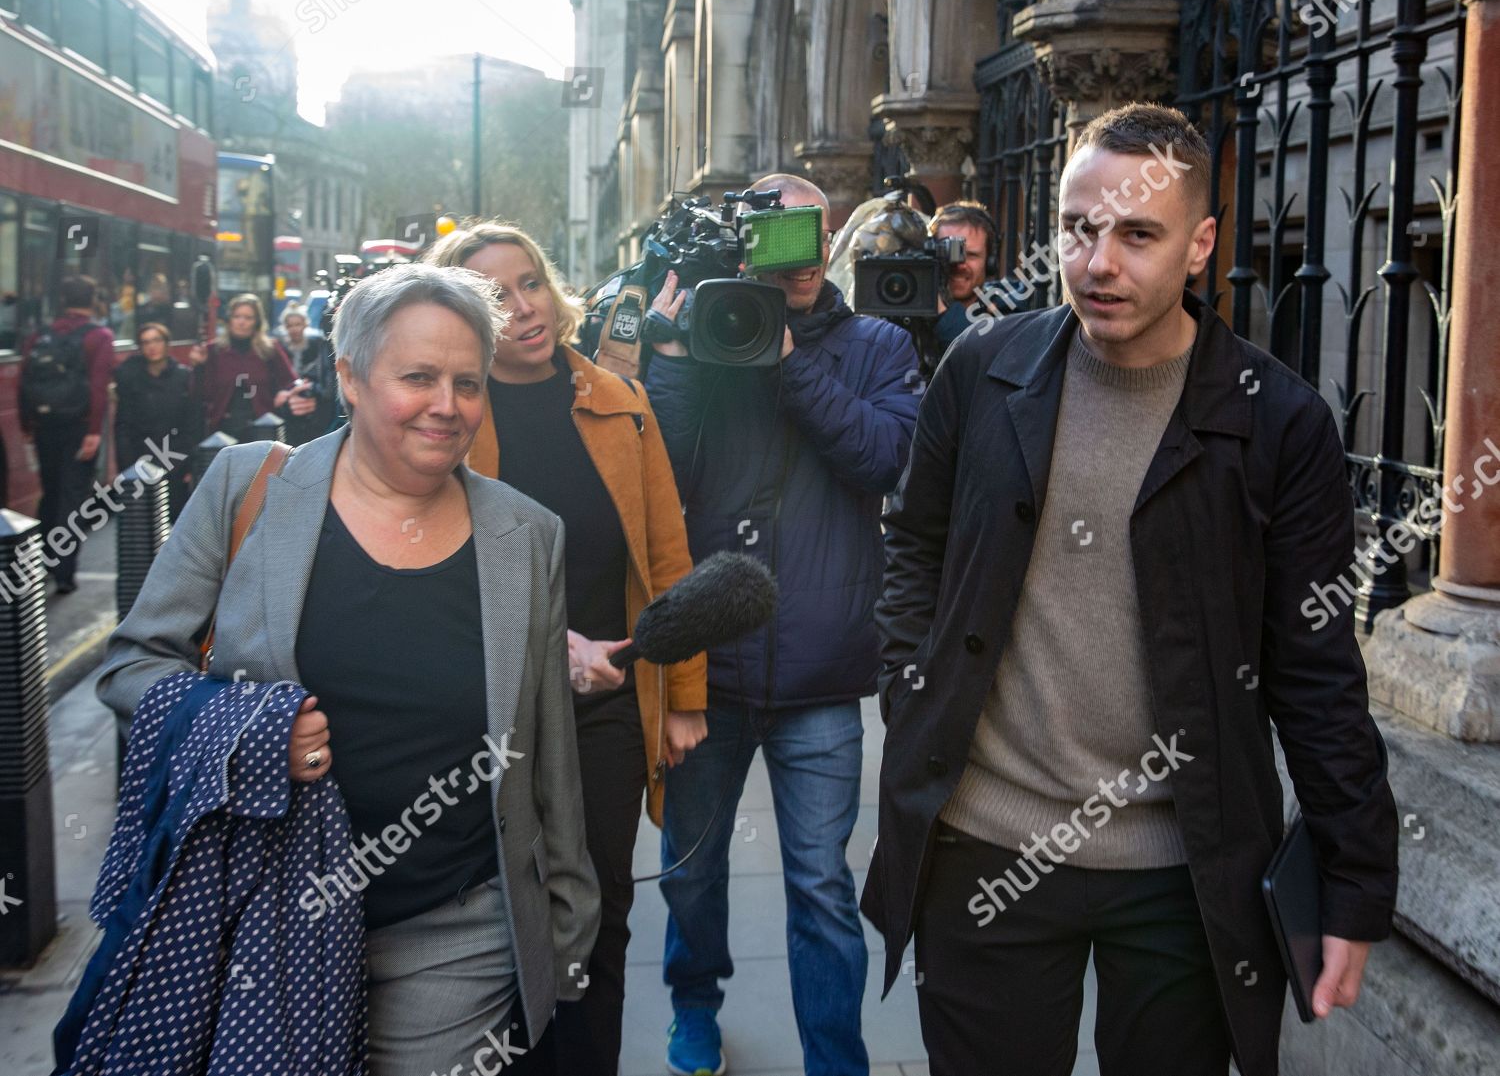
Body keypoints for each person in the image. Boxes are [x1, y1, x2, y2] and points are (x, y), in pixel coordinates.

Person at [863, 103, 1399, 1076]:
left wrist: (1355, 886)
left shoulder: (1278, 425)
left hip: (1182, 875)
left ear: (1200, 247)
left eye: (1137, 234)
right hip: (986, 848)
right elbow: (913, 542)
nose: (1098, 261)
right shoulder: (982, 371)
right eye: (1079, 228)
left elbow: (1316, 672)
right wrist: (909, 686)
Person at [95, 262, 600, 1075]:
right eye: (418, 377)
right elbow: (131, 664)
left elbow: (544, 749)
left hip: (452, 936)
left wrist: (570, 918)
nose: (448, 405)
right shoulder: (247, 487)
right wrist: (249, 733)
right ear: (350, 378)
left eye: (468, 382)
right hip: (256, 920)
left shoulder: (528, 534)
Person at [643, 174, 920, 1076]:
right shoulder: (714, 338)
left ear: (830, 236)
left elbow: (884, 458)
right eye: (771, 237)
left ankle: (835, 1060)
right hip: (708, 668)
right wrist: (681, 358)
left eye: (807, 235)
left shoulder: (877, 343)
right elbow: (665, 478)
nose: (791, 258)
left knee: (822, 887)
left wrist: (792, 359)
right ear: (742, 244)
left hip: (824, 673)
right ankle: (695, 1007)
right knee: (691, 869)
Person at [429, 221, 708, 1075]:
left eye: (531, 283)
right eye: (493, 295)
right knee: (496, 913)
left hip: (606, 708)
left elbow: (666, 554)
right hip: (481, 709)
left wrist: (685, 697)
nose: (522, 309)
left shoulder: (621, 403)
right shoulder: (447, 417)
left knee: (600, 912)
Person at [20, 274, 115, 594]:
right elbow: (99, 388)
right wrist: (93, 432)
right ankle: (64, 572)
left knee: (49, 494)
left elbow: (24, 380)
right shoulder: (98, 336)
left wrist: (28, 425)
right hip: (78, 427)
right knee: (73, 500)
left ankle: (42, 560)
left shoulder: (39, 336)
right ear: (92, 301)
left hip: (45, 426)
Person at [113, 321, 199, 520]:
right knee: (142, 524)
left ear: (167, 343)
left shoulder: (184, 377)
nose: (151, 347)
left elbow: (192, 423)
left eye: (156, 340)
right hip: (140, 459)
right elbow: (123, 425)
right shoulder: (131, 378)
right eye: (145, 342)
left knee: (175, 519)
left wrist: (188, 463)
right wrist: (126, 466)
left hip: (174, 458)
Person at [188, 293, 298, 439]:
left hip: (263, 429)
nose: (242, 322)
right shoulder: (213, 350)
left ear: (256, 322)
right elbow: (199, 394)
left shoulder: (270, 349)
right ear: (229, 320)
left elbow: (291, 382)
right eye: (237, 316)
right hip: (223, 430)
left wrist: (285, 393)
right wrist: (198, 367)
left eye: (248, 318)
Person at [928, 201, 1007, 352]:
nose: (959, 265)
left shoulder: (1008, 309)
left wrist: (942, 313)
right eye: (948, 253)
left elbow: (980, 356)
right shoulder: (909, 310)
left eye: (971, 255)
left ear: (990, 261)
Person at [279, 304, 340, 444]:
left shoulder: (317, 344)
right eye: (290, 325)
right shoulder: (279, 347)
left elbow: (325, 379)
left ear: (305, 324)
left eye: (298, 324)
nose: (294, 329)